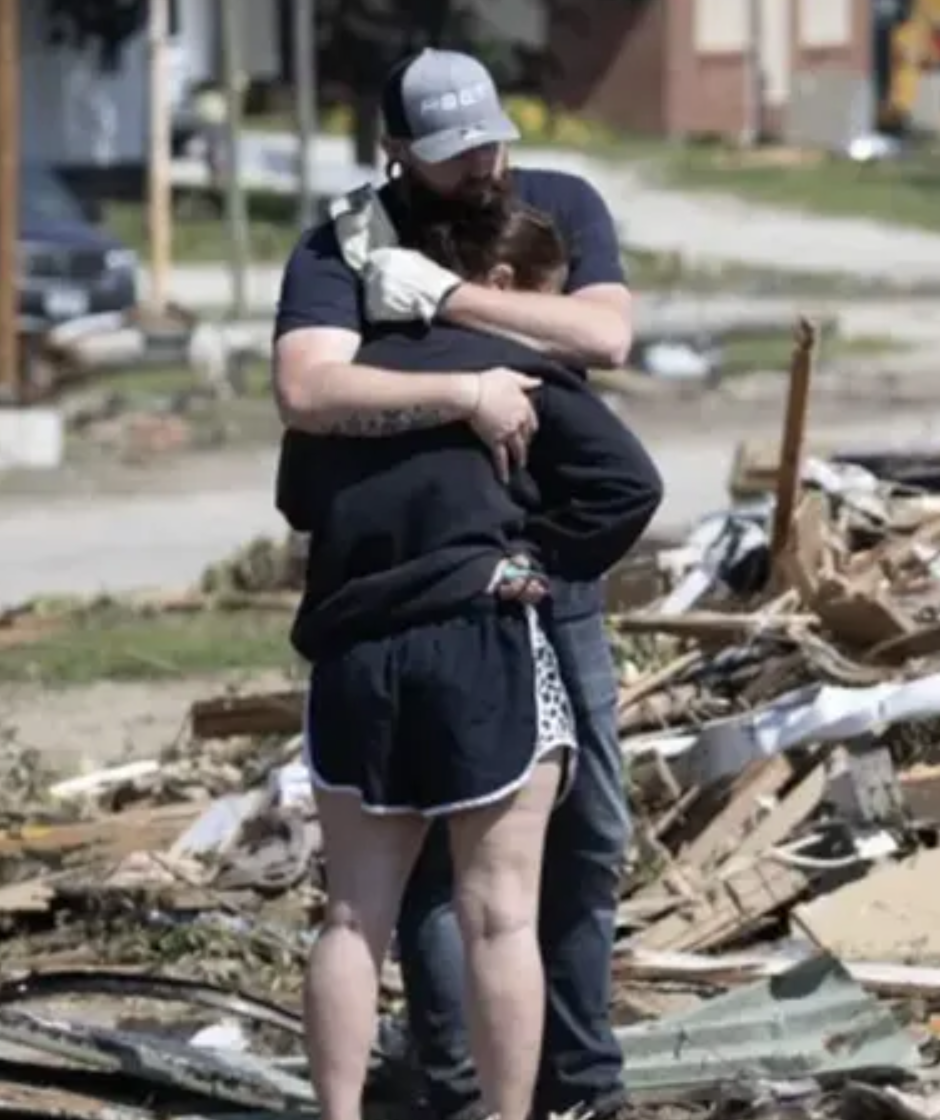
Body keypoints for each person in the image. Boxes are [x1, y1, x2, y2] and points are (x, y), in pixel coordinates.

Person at [270, 46, 638, 1120]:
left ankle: (580, 1080)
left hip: (535, 577)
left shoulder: (556, 205)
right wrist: (464, 392)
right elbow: (305, 389)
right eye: (448, 152)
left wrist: (451, 303)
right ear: (393, 153)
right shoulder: (343, 241)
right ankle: (465, 1085)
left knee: (588, 833)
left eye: (487, 139)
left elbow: (607, 333)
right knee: (455, 889)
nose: (478, 165)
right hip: (426, 591)